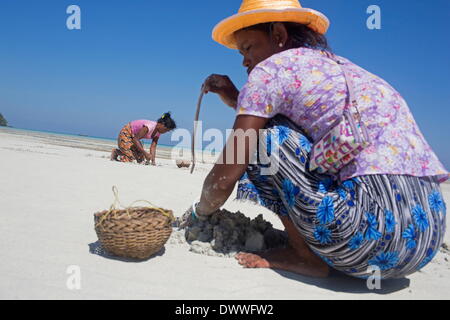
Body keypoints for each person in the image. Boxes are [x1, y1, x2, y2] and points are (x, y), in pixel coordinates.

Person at [184, 0, 448, 279]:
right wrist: (237, 98)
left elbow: (227, 173)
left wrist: (199, 212)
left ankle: (304, 255)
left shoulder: (268, 70)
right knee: (269, 129)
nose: (244, 60)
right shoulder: (341, 69)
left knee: (261, 139)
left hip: (365, 246)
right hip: (423, 242)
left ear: (278, 35)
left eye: (248, 48)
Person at [111, 112, 176, 165]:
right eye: (165, 129)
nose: (165, 132)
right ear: (160, 124)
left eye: (167, 131)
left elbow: (153, 147)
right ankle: (116, 152)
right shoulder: (149, 127)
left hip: (134, 138)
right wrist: (145, 153)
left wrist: (153, 162)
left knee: (140, 160)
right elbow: (136, 139)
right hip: (126, 133)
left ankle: (119, 152)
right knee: (130, 158)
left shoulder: (158, 133)